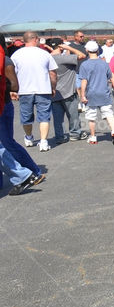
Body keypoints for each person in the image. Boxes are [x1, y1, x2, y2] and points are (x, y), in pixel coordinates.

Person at [1, 42, 45, 193]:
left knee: (7, 144)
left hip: (4, 106)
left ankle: (33, 172)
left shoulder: (6, 61)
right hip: (4, 105)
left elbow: (14, 85)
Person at [10, 31, 57, 152]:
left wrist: (12, 90)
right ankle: (43, 141)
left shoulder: (16, 54)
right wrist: (53, 87)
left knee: (26, 116)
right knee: (44, 116)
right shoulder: (45, 54)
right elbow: (52, 73)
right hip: (43, 88)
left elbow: (11, 74)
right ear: (35, 39)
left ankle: (29, 137)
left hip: (24, 89)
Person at [78, 41, 114, 145]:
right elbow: (111, 76)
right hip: (104, 92)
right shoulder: (104, 63)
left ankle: (93, 137)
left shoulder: (84, 65)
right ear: (97, 50)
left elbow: (84, 81)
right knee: (108, 113)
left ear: (87, 50)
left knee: (91, 116)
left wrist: (82, 95)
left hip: (91, 94)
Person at [49, 38, 86, 143]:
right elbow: (82, 55)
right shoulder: (64, 58)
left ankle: (60, 136)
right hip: (68, 91)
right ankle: (75, 133)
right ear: (61, 46)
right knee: (73, 115)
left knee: (57, 118)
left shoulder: (48, 58)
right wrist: (69, 47)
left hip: (54, 92)